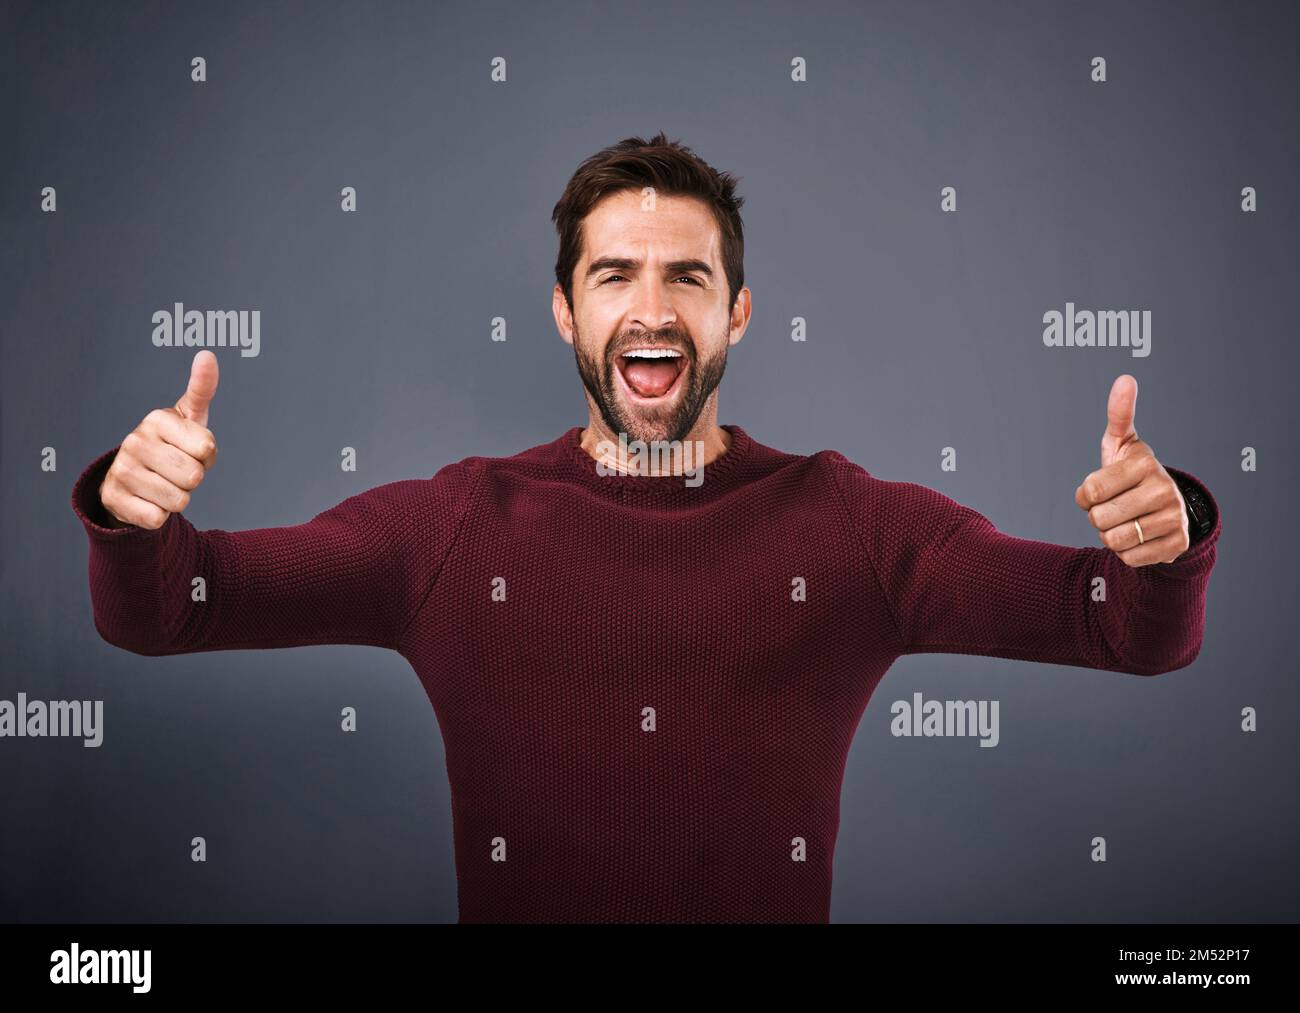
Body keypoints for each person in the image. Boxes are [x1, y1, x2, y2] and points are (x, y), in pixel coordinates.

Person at [71, 132, 1220, 923]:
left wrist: (1159, 541)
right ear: (567, 308)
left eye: (689, 276)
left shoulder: (850, 526)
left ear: (739, 310)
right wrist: (134, 517)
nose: (654, 307)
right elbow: (174, 610)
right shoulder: (454, 528)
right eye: (615, 274)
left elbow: (1122, 628)